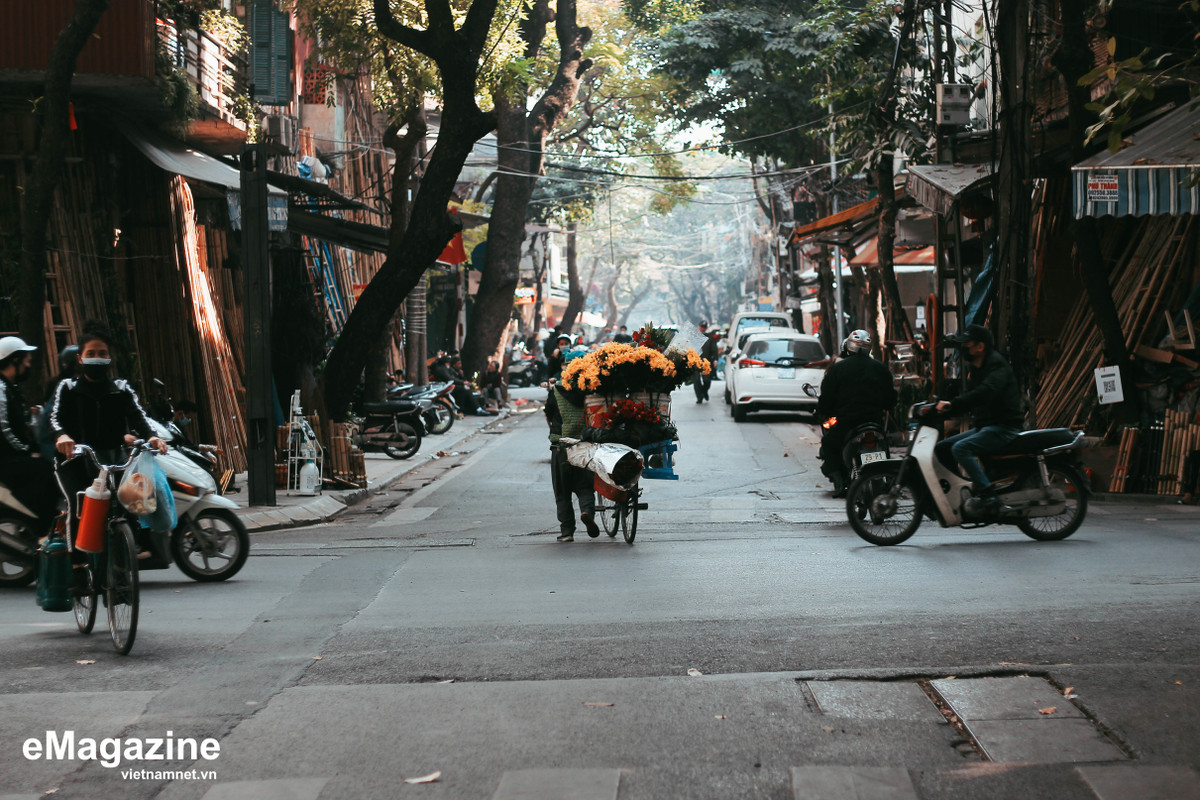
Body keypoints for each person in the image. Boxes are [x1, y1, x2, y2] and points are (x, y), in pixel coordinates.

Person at [934, 323, 1024, 513]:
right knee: (942, 448)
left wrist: (953, 404)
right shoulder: (977, 367)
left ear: (980, 347)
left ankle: (988, 494)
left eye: (967, 344)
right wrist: (944, 408)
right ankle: (962, 489)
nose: (963, 348)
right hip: (985, 425)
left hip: (1003, 426)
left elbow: (985, 392)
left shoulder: (996, 365)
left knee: (961, 448)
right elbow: (971, 398)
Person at [49, 321, 168, 465]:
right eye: (91, 354)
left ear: (109, 357)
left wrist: (151, 437)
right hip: (75, 461)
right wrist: (61, 436)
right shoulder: (67, 387)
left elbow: (138, 416)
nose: (96, 358)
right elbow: (54, 418)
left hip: (117, 462)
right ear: (80, 358)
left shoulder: (121, 388)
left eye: (102, 353)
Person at [815, 329, 897, 498]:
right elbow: (891, 398)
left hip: (847, 423)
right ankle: (888, 480)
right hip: (874, 422)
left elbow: (827, 397)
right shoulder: (880, 368)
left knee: (829, 445)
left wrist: (822, 412)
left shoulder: (838, 369)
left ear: (849, 346)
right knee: (883, 445)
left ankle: (838, 479)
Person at [0, 337, 58, 534]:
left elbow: (21, 424)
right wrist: (27, 451)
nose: (28, 365)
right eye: (26, 360)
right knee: (48, 472)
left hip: (13, 456)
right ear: (14, 360)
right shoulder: (1, 388)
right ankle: (40, 530)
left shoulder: (11, 388)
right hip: (6, 460)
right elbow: (4, 429)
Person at [544, 347, 598, 542]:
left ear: (566, 367)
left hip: (561, 447)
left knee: (562, 491)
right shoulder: (593, 387)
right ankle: (587, 513)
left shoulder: (556, 389)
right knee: (585, 487)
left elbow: (549, 413)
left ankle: (567, 532)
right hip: (585, 444)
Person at [693, 321, 719, 403]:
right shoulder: (694, 337)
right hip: (694, 362)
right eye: (701, 327)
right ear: (698, 326)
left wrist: (715, 359)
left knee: (707, 380)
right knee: (696, 381)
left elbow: (714, 349)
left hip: (706, 362)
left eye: (704, 327)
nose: (703, 328)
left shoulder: (710, 338)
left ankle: (704, 391)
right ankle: (699, 397)